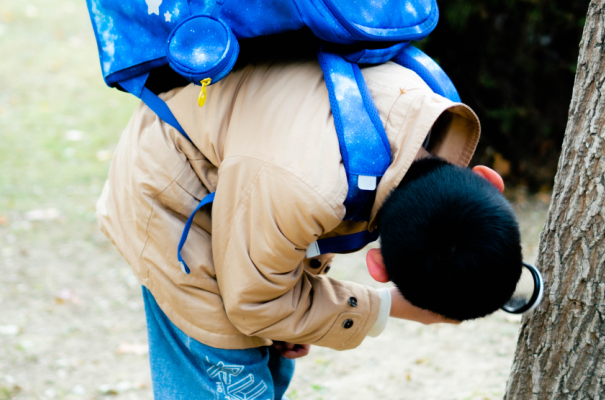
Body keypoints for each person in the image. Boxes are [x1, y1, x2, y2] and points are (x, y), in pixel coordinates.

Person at [96, 49, 525, 399]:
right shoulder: (307, 188)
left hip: (248, 183)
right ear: (377, 267)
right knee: (231, 382)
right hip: (172, 194)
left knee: (270, 364)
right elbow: (255, 304)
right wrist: (385, 307)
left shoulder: (427, 108)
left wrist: (289, 309)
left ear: (486, 180)